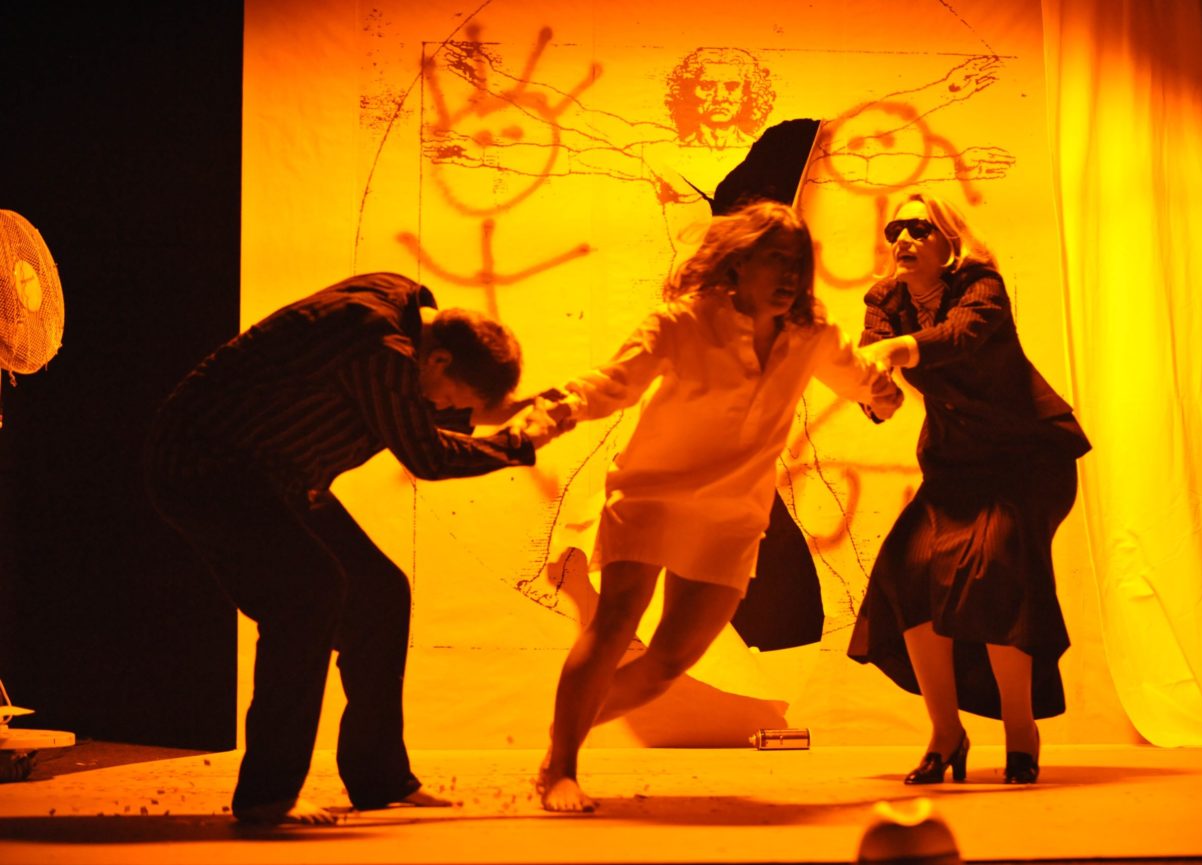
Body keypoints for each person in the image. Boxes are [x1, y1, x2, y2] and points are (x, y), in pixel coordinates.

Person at [143, 272, 557, 825]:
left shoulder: (401, 308)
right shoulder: (378, 343)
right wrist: (516, 447)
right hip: (206, 467)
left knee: (379, 595)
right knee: (308, 594)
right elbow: (428, 456)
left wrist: (507, 414)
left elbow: (411, 408)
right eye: (449, 396)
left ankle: (378, 777)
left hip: (279, 477)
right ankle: (268, 794)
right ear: (437, 361)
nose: (440, 405)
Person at [533, 199, 904, 812]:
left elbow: (859, 375)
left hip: (732, 514)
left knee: (668, 663)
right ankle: (563, 768)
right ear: (737, 264)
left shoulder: (811, 335)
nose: (789, 275)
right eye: (775, 260)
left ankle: (561, 734)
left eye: (798, 263)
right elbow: (614, 382)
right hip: (652, 493)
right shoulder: (685, 321)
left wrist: (883, 391)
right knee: (617, 620)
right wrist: (554, 411)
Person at [846, 192, 1091, 785]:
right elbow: (873, 375)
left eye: (919, 228)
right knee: (906, 571)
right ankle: (946, 734)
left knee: (994, 567)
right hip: (955, 462)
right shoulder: (885, 300)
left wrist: (892, 352)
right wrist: (875, 396)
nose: (903, 239)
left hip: (1027, 457)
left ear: (949, 242)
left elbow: (958, 338)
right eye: (895, 229)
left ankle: (1020, 731)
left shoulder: (981, 286)